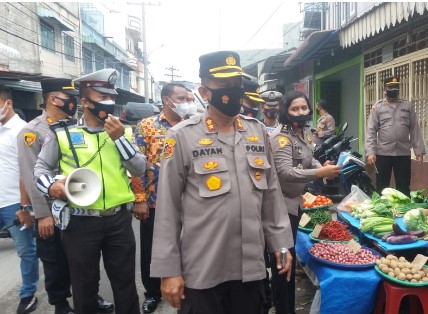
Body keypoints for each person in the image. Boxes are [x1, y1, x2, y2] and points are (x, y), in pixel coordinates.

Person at [150, 50, 294, 314]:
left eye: (237, 84)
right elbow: (167, 209)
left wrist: (281, 243)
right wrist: (168, 270)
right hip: (203, 269)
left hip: (251, 267)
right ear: (204, 92)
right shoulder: (181, 136)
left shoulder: (256, 131)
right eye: (225, 85)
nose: (234, 91)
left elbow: (272, 194)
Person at [34, 69, 146, 314]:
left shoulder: (124, 132)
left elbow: (139, 168)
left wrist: (119, 139)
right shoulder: (63, 134)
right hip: (79, 223)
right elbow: (40, 168)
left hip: (119, 220)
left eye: (111, 97)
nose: (109, 103)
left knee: (125, 284)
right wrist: (52, 186)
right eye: (102, 97)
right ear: (84, 101)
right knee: (84, 286)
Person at [17, 78, 114, 314]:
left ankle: (91, 296)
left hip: (78, 208)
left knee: (83, 262)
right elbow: (31, 175)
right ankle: (60, 304)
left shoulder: (76, 126)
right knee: (55, 261)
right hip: (52, 209)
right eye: (69, 98)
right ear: (53, 99)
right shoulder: (32, 131)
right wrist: (42, 215)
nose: (73, 103)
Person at [269, 90, 341, 314]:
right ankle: (284, 308)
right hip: (280, 207)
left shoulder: (305, 133)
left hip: (297, 202)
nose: (301, 112)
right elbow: (285, 172)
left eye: (304, 108)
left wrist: (323, 167)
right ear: (285, 111)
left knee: (289, 259)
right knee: (283, 263)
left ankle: (284, 302)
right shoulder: (281, 138)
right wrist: (319, 174)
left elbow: (310, 159)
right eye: (294, 109)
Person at [131, 82, 197, 313]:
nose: (188, 102)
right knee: (152, 248)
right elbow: (135, 165)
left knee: (191, 245)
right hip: (156, 199)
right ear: (167, 100)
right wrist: (139, 198)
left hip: (192, 201)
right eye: (182, 98)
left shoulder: (195, 124)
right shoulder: (147, 126)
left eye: (189, 98)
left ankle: (190, 284)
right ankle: (152, 292)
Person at [0, 84, 40, 314]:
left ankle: (27, 294)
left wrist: (26, 207)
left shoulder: (23, 131)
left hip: (14, 203)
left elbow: (28, 171)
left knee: (26, 251)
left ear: (8, 103)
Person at [365, 76, 426, 196]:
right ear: (385, 89)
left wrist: (418, 150)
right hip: (383, 153)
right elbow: (371, 130)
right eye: (391, 87)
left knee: (403, 186)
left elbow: (414, 128)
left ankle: (402, 211)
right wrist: (371, 152)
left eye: (396, 87)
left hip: (402, 153)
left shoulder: (407, 106)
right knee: (382, 187)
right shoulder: (378, 107)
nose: (394, 89)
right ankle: (383, 210)